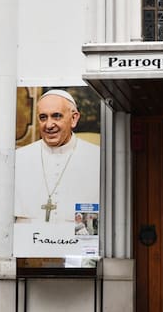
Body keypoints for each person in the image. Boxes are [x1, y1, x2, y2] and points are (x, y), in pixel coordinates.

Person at [14, 89, 100, 225]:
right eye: (43, 117)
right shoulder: (18, 158)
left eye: (57, 116)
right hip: (29, 244)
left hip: (73, 244)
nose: (49, 125)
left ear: (74, 118)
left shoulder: (97, 159)